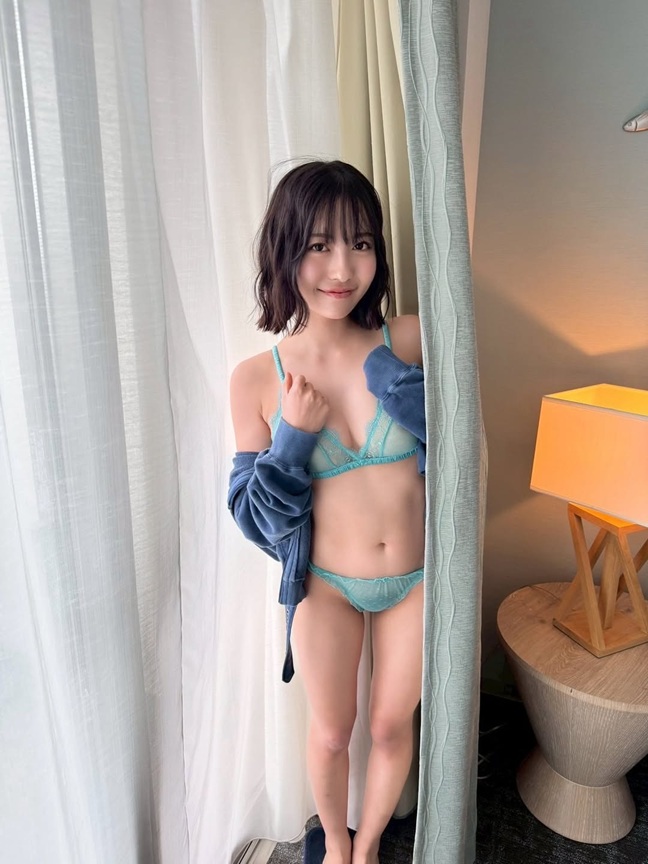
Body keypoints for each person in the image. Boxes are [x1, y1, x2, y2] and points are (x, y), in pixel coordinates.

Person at [228, 160, 426, 864]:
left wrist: (408, 396)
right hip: (325, 584)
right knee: (333, 731)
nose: (343, 268)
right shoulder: (257, 378)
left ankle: (367, 848)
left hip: (418, 579)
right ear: (285, 251)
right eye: (319, 245)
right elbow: (254, 519)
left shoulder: (409, 342)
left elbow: (464, 453)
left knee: (392, 725)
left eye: (361, 243)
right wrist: (291, 438)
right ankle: (336, 848)